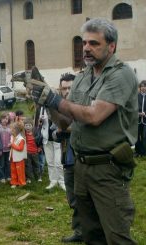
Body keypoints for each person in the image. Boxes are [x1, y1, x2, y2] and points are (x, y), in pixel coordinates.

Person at [28, 18, 138, 244]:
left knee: (117, 237)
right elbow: (65, 123)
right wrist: (47, 102)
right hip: (81, 165)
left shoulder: (120, 74)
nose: (86, 48)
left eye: (94, 43)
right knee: (90, 235)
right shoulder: (83, 77)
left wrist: (56, 99)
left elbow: (94, 116)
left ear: (111, 46)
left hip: (108, 168)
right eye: (84, 43)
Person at [56, 73, 83, 243]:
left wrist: (66, 129)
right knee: (73, 199)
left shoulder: (83, 105)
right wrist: (57, 132)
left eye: (69, 88)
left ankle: (93, 231)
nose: (66, 91)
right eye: (64, 88)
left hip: (84, 161)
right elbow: (54, 131)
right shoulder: (59, 109)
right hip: (68, 159)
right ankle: (80, 231)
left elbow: (83, 127)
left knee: (87, 199)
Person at [23, 118, 41, 183]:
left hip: (35, 152)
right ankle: (29, 178)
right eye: (26, 125)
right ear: (24, 126)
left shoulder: (35, 134)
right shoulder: (24, 135)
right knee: (28, 166)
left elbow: (39, 141)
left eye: (29, 125)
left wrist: (39, 147)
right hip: (27, 152)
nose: (28, 127)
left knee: (36, 165)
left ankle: (38, 177)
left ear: (32, 126)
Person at [9, 121, 26, 188]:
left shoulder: (21, 139)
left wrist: (12, 145)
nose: (11, 130)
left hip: (19, 158)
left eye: (12, 129)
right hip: (13, 157)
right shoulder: (12, 137)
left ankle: (21, 183)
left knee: (20, 171)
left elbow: (20, 148)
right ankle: (14, 182)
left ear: (16, 130)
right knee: (13, 170)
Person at [0, 112, 12, 182]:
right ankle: (2, 177)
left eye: (6, 118)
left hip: (8, 149)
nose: (5, 120)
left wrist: (10, 143)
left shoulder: (9, 128)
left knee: (8, 163)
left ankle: (8, 176)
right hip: (1, 150)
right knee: (1, 164)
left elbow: (11, 138)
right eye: (3, 118)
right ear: (0, 119)